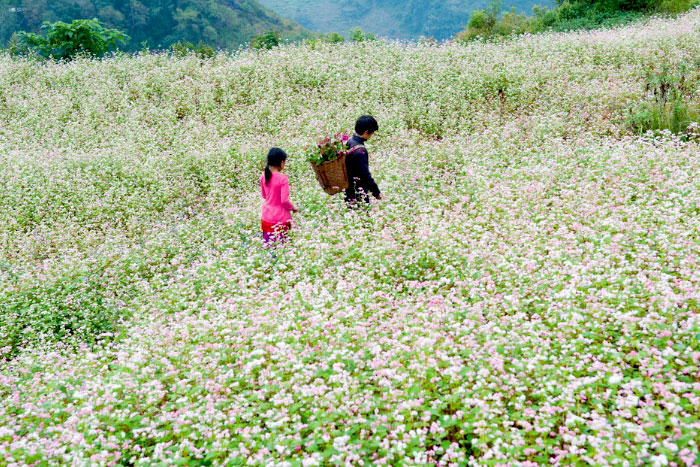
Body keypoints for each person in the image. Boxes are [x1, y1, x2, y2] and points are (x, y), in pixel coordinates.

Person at [260, 148, 297, 245]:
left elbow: (264, 195)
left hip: (267, 217)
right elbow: (284, 200)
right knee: (281, 247)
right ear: (281, 162)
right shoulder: (283, 178)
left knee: (268, 246)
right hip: (281, 218)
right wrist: (293, 208)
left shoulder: (264, 175)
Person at [345, 115, 382, 204]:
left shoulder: (350, 142)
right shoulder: (361, 150)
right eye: (372, 133)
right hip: (359, 191)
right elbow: (365, 175)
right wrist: (376, 192)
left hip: (348, 190)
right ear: (366, 132)